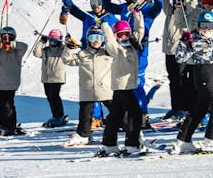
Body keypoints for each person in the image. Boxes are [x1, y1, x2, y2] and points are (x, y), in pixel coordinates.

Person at [173, 9, 213, 154]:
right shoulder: (195, 40)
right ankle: (212, 140)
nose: (206, 29)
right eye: (203, 25)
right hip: (204, 78)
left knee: (199, 110)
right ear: (198, 26)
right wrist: (184, 43)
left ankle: (183, 140)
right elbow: (180, 58)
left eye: (209, 25)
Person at [61, 25, 119, 149]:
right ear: (88, 39)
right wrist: (69, 48)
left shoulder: (108, 53)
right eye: (93, 37)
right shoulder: (83, 54)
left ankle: (132, 130)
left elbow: (114, 48)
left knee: (118, 110)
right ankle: (83, 135)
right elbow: (67, 60)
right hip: (88, 90)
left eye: (99, 37)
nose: (96, 41)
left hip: (105, 89)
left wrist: (107, 32)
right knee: (85, 114)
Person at [101, 16, 150, 157]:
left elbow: (139, 32)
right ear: (116, 36)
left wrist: (138, 17)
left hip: (125, 87)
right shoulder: (116, 49)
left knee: (116, 116)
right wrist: (105, 26)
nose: (124, 37)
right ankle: (131, 144)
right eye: (120, 35)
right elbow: (109, 40)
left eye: (126, 34)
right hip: (123, 88)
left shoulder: (132, 47)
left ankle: (109, 144)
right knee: (134, 113)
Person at [0, 25, 30, 136]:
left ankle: (10, 126)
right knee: (1, 106)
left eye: (9, 37)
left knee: (8, 105)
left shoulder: (17, 51)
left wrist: (10, 45)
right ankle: (1, 125)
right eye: (4, 37)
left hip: (11, 82)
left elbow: (24, 46)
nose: (7, 39)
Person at [33, 29, 72, 129]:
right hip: (46, 77)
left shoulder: (61, 49)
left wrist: (68, 42)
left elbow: (68, 52)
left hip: (57, 77)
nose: (52, 43)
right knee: (49, 97)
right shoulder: (46, 50)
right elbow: (37, 53)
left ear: (59, 41)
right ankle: (55, 116)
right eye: (51, 40)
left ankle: (59, 116)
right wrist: (42, 41)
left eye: (55, 41)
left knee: (54, 96)